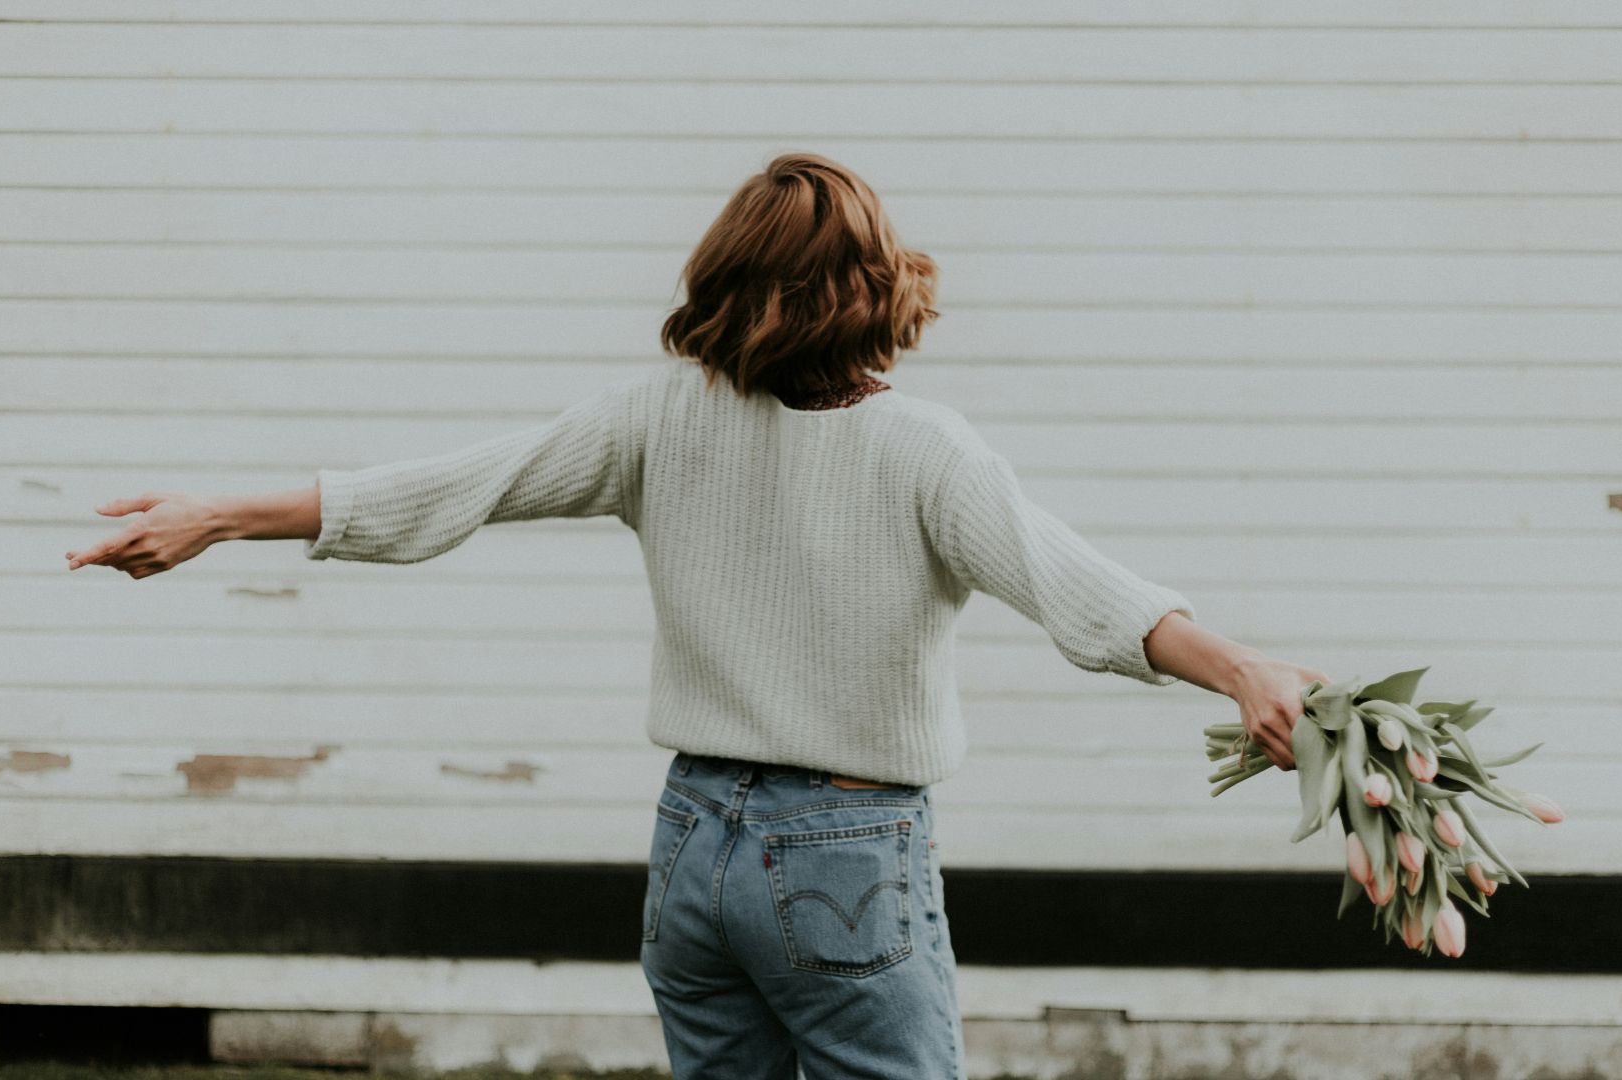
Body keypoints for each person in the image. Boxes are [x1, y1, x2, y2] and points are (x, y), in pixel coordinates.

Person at [64, 152, 1326, 1079]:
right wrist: (1241, 669)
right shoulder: (926, 453)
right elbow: (1082, 591)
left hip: (692, 848)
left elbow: (452, 491)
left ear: (726, 281)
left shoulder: (655, 420)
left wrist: (219, 514)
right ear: (875, 287)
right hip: (844, 854)